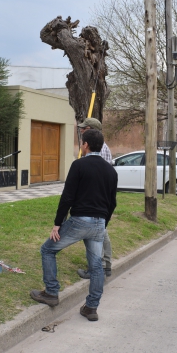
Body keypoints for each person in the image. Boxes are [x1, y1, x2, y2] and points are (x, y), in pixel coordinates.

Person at [30, 129, 118, 321]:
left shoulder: (79, 165)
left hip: (80, 220)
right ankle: (91, 307)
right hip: (99, 223)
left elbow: (67, 196)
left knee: (47, 250)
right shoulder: (111, 170)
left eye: (81, 142)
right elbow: (112, 203)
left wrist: (57, 223)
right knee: (96, 267)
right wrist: (104, 223)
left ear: (85, 145)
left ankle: (51, 293)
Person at [75, 118, 114, 278]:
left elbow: (96, 173)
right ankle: (104, 265)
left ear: (92, 130)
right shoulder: (101, 146)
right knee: (100, 231)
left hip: (95, 197)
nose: (82, 131)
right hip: (99, 197)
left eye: (85, 128)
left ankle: (100, 267)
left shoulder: (99, 149)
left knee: (99, 232)